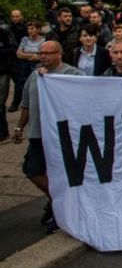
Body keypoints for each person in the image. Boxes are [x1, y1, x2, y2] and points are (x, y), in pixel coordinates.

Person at [11, 41, 82, 233]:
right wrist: (19, 127)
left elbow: (84, 98)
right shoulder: (35, 75)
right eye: (41, 53)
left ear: (59, 54)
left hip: (61, 135)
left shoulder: (73, 75)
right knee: (33, 170)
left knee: (60, 173)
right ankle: (57, 201)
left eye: (48, 53)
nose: (43, 56)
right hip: (38, 133)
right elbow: (26, 104)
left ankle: (61, 211)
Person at [11, 20, 45, 113]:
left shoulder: (43, 41)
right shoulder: (25, 39)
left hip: (36, 66)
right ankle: (16, 103)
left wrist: (26, 54)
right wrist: (32, 55)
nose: (30, 31)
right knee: (20, 85)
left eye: (32, 28)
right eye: (28, 28)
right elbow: (18, 54)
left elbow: (41, 55)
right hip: (24, 66)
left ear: (38, 29)